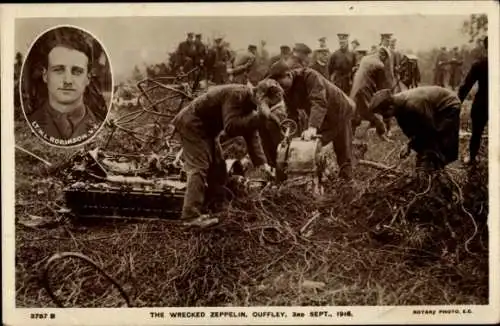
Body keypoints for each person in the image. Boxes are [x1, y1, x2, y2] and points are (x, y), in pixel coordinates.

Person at [172, 80, 279, 227]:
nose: (269, 108)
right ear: (261, 96)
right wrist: (258, 118)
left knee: (219, 167)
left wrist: (262, 165)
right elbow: (230, 126)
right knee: (199, 166)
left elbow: (252, 137)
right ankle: (190, 216)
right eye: (269, 104)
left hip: (208, 130)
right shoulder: (237, 95)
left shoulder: (250, 106)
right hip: (192, 123)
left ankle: (214, 206)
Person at [267, 61, 355, 181]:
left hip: (339, 111)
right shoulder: (286, 89)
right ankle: (319, 178)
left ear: (288, 75)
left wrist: (312, 127)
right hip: (321, 116)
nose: (281, 89)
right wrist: (288, 133)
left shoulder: (310, 76)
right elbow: (292, 114)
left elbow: (319, 101)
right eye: (278, 86)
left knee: (343, 151)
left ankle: (348, 183)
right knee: (311, 150)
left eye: (281, 84)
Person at [26, 26, 107, 145]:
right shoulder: (28, 124)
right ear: (45, 76)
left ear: (88, 78)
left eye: (77, 71)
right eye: (58, 70)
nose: (67, 81)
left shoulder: (101, 127)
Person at [369, 86, 461, 171]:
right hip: (431, 108)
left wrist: (413, 145)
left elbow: (430, 129)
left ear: (390, 107)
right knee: (424, 141)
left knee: (439, 137)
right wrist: (409, 144)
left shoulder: (414, 105)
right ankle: (429, 162)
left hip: (448, 105)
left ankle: (436, 166)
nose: (384, 117)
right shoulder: (398, 106)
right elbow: (410, 130)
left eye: (384, 114)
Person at [350, 47, 392, 139]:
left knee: (354, 110)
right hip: (365, 89)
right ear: (383, 55)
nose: (385, 61)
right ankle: (381, 133)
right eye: (386, 58)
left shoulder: (365, 58)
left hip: (355, 88)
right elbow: (381, 86)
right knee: (372, 110)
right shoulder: (380, 65)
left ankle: (350, 134)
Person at [458, 36, 488, 165]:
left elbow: (466, 86)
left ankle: (472, 158)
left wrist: (457, 102)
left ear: (486, 47)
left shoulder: (480, 64)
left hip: (483, 102)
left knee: (476, 132)